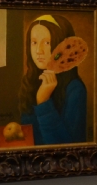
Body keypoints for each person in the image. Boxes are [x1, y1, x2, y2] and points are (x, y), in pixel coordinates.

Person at [14, 14, 88, 145]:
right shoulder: (29, 81)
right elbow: (28, 135)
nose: (39, 51)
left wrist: (44, 102)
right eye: (34, 42)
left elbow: (67, 145)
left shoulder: (75, 90)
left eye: (47, 43)